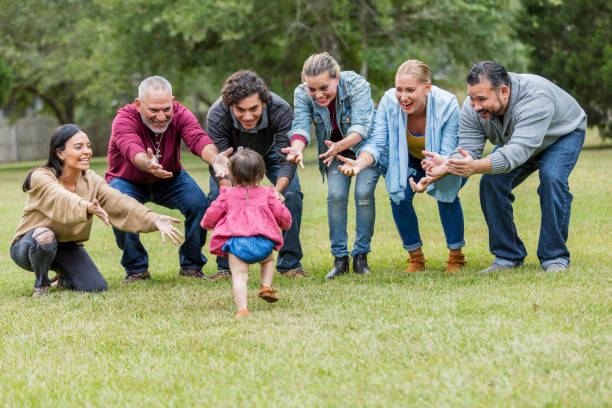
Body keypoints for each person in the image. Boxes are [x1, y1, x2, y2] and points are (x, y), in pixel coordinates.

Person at [424, 60, 586, 273]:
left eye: (482, 99)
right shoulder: (473, 107)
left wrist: (475, 166)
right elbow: (469, 149)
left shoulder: (536, 99)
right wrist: (447, 163)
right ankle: (508, 256)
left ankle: (554, 256)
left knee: (552, 178)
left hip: (562, 135)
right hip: (521, 140)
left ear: (504, 91)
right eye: (472, 98)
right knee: (491, 183)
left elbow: (517, 152)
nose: (476, 105)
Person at [10, 125, 184, 297]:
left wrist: (154, 218)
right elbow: (60, 197)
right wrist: (85, 206)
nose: (87, 151)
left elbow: (119, 202)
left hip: (65, 246)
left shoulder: (91, 179)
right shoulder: (41, 176)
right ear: (60, 153)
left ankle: (64, 277)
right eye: (79, 147)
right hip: (30, 245)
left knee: (95, 287)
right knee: (45, 236)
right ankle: (42, 284)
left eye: (88, 146)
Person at [338, 60, 467, 272]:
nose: (403, 97)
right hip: (408, 158)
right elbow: (378, 141)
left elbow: (448, 151)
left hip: (444, 159)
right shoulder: (389, 102)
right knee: (398, 195)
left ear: (427, 87)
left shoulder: (448, 104)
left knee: (447, 193)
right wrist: (360, 162)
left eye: (410, 90)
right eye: (399, 89)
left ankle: (456, 256)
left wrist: (434, 174)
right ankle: (416, 258)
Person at [106, 75, 230, 283]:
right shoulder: (124, 119)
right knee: (118, 206)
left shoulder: (181, 114)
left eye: (166, 109)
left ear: (173, 102)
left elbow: (197, 137)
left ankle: (191, 266)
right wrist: (148, 164)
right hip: (128, 179)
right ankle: (137, 269)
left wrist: (215, 159)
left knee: (199, 204)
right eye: (153, 110)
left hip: (171, 178)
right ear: (138, 104)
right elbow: (131, 148)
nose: (162, 117)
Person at [206, 70, 306, 280]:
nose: (248, 116)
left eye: (254, 109)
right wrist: (230, 193)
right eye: (240, 110)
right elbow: (222, 163)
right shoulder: (217, 114)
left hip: (270, 152)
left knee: (293, 194)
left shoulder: (280, 109)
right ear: (230, 106)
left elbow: (285, 159)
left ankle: (290, 264)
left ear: (264, 102)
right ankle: (225, 266)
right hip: (232, 157)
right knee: (219, 197)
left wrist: (277, 193)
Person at [288, 52, 380, 279]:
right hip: (334, 152)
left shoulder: (357, 85)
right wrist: (297, 148)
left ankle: (361, 258)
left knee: (364, 192)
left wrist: (338, 146)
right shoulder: (302, 93)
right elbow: (300, 125)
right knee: (336, 196)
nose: (317, 94)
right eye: (312, 89)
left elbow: (361, 128)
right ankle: (340, 260)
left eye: (323, 87)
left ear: (336, 78)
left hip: (363, 149)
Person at [201, 148, 292, 317]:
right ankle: (266, 286)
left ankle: (242, 309)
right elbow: (281, 215)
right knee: (268, 261)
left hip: (238, 246)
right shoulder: (268, 193)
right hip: (263, 243)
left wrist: (207, 224)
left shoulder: (226, 194)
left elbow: (212, 213)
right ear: (261, 174)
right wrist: (286, 224)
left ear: (232, 175)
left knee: (240, 277)